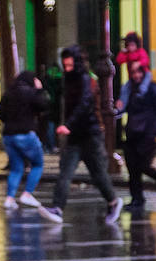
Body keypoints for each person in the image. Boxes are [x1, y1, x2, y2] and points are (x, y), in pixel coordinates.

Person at [46, 46, 123, 225]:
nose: (66, 68)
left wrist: (68, 125)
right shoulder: (69, 79)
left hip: (90, 134)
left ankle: (113, 201)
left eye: (69, 64)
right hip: (75, 136)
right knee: (65, 172)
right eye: (64, 65)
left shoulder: (86, 80)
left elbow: (84, 104)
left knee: (97, 174)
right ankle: (57, 208)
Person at [0, 71, 61, 222]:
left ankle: (10, 199)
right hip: (26, 134)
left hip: (8, 135)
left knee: (16, 167)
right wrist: (39, 90)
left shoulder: (9, 93)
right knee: (38, 164)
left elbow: (0, 113)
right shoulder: (31, 93)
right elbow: (44, 105)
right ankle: (27, 194)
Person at [115, 61, 156, 210]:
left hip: (147, 133)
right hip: (132, 132)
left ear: (144, 72)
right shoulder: (128, 89)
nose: (136, 75)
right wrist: (119, 107)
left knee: (143, 165)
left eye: (138, 72)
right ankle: (137, 199)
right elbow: (122, 108)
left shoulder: (151, 87)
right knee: (132, 168)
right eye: (133, 72)